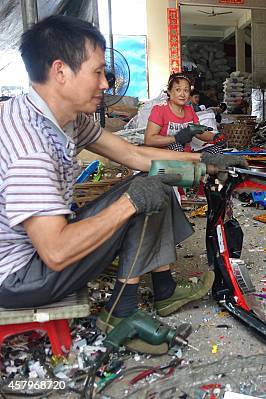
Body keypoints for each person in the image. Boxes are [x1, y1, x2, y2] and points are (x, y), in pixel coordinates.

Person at [0, 15, 247, 355]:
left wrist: (204, 160)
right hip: (19, 278)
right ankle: (122, 312)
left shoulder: (62, 117)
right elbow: (56, 252)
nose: (106, 83)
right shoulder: (31, 148)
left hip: (33, 254)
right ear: (60, 72)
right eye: (98, 72)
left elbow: (131, 153)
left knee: (153, 182)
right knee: (144, 193)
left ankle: (160, 290)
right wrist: (128, 203)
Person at [144, 74, 219, 152]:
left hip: (186, 154)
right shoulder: (159, 110)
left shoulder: (189, 110)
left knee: (216, 150)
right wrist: (176, 138)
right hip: (165, 154)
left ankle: (192, 161)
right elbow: (149, 140)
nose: (182, 94)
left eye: (186, 90)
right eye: (178, 90)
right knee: (177, 146)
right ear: (169, 91)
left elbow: (199, 133)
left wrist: (216, 137)